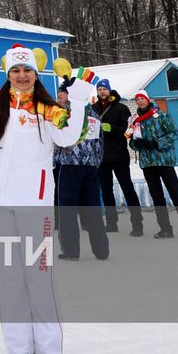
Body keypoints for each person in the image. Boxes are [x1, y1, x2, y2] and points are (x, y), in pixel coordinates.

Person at [0, 44, 81, 354]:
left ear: (35, 72)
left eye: (27, 69)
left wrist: (82, 100)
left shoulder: (47, 108)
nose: (22, 75)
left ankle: (50, 352)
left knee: (39, 277)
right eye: (16, 70)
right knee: (9, 278)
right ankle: (18, 349)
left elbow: (69, 136)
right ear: (8, 74)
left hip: (35, 204)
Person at [129, 92, 178, 242]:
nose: (140, 101)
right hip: (148, 163)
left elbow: (174, 134)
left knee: (176, 194)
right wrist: (137, 144)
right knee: (157, 197)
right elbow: (132, 141)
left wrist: (156, 143)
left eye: (142, 99)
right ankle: (165, 229)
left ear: (148, 100)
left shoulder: (161, 116)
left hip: (164, 161)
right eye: (137, 100)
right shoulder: (135, 121)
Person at [53, 80, 109, 261]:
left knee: (67, 209)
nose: (59, 96)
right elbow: (100, 142)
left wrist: (55, 161)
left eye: (63, 92)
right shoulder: (94, 113)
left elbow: (57, 139)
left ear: (72, 94)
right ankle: (101, 251)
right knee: (92, 208)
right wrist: (95, 162)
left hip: (69, 166)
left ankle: (71, 251)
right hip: (90, 168)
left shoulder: (64, 113)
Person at [93, 84, 142, 235]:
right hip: (101, 156)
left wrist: (112, 128)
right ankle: (111, 223)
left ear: (109, 90)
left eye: (104, 89)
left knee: (127, 188)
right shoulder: (93, 109)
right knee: (106, 191)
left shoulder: (121, 108)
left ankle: (137, 224)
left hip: (119, 155)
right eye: (99, 89)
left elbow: (129, 131)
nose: (102, 92)